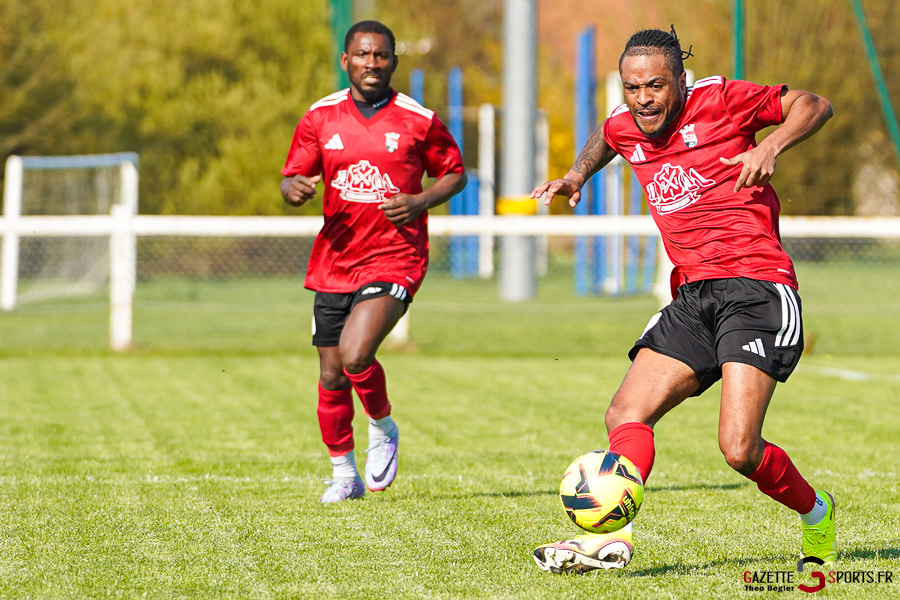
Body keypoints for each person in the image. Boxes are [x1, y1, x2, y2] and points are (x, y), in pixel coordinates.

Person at [530, 27, 835, 573]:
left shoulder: (720, 100)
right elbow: (609, 134)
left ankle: (816, 514)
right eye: (632, 87)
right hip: (693, 294)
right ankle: (612, 539)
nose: (643, 98)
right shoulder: (628, 123)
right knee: (625, 412)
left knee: (739, 449)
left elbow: (814, 105)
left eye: (655, 86)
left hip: (756, 288)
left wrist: (769, 144)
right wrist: (577, 174)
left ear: (681, 82)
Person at [280, 20, 466, 503]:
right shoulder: (320, 117)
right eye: (362, 55)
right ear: (346, 61)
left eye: (381, 56)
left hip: (396, 256)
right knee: (330, 373)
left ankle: (382, 426)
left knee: (356, 352)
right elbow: (293, 176)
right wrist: (293, 189)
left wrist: (421, 201)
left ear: (393, 62)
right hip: (335, 259)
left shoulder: (417, 119)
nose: (371, 64)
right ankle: (344, 474)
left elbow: (454, 173)